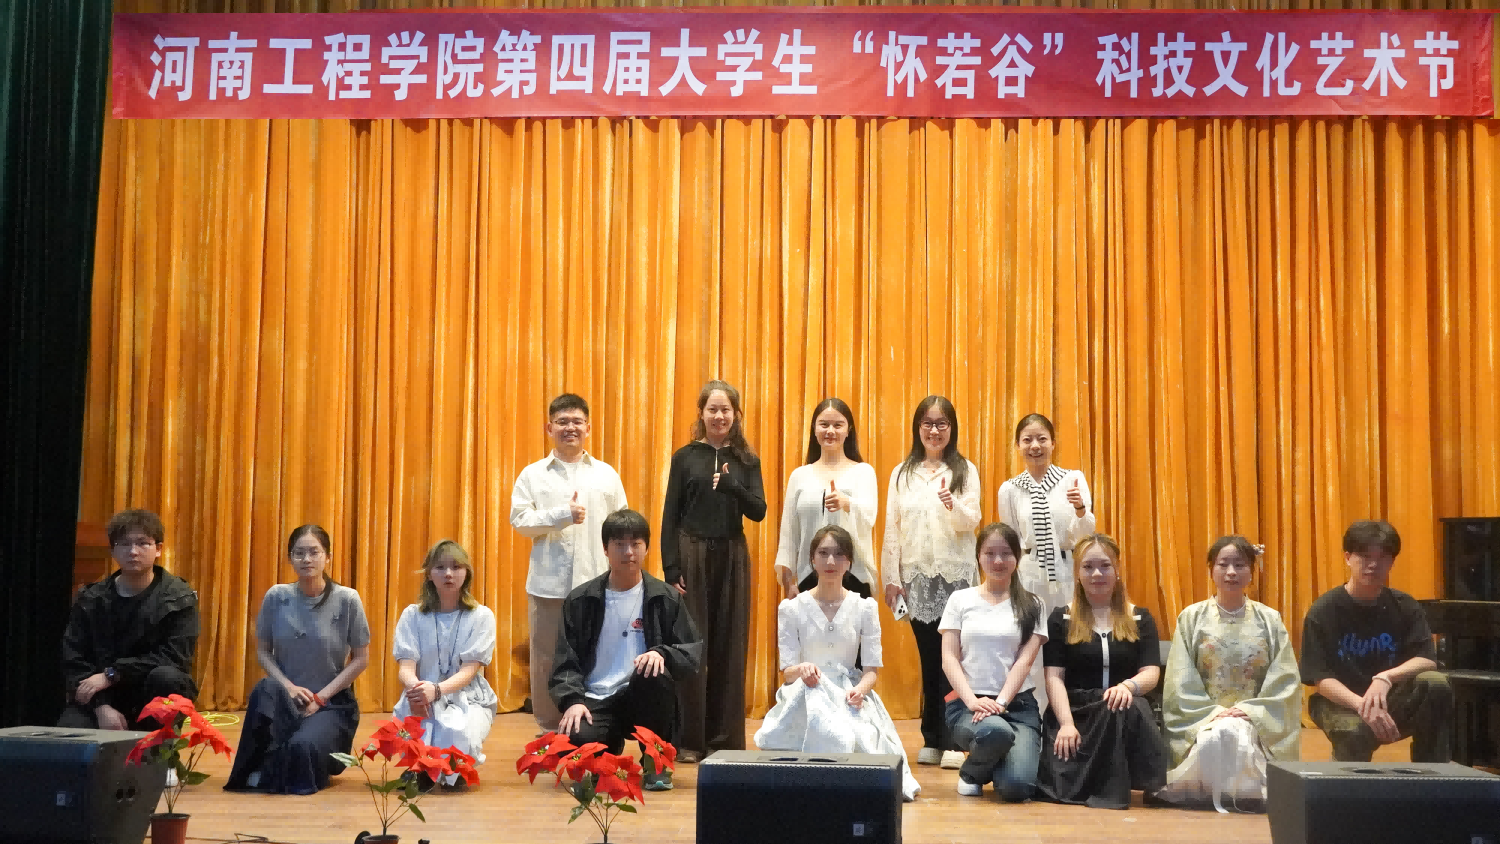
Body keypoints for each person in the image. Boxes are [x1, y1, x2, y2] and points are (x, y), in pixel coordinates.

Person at [755, 525, 921, 801]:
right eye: (823, 553)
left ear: (849, 562)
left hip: (849, 691)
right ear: (812, 559)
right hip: (806, 691)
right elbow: (787, 673)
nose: (831, 561)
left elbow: (871, 671)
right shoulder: (791, 609)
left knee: (860, 740)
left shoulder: (865, 607)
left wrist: (861, 691)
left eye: (839, 554)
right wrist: (803, 669)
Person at [551, 509, 702, 791]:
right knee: (575, 741)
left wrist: (662, 653)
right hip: (596, 698)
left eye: (635, 544)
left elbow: (690, 651)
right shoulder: (580, 600)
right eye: (619, 544)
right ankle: (607, 746)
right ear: (605, 549)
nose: (628, 552)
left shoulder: (666, 598)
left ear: (646, 548)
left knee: (654, 673)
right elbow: (565, 660)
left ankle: (655, 764)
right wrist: (573, 700)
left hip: (642, 697)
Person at [660, 379, 767, 761]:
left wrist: (734, 486)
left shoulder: (747, 460)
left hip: (732, 555)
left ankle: (725, 741)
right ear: (702, 414)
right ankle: (690, 740)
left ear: (736, 415)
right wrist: (671, 566)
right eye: (712, 409)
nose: (719, 416)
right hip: (691, 554)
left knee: (729, 647)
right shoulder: (685, 457)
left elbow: (758, 511)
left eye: (726, 410)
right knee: (692, 646)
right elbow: (670, 515)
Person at [511, 393, 628, 733]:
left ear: (588, 428)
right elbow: (520, 521)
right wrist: (562, 514)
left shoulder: (607, 475)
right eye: (562, 422)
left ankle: (592, 726)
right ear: (549, 428)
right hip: (549, 585)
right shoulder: (532, 475)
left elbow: (622, 524)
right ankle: (550, 730)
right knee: (546, 657)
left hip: (597, 583)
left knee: (596, 655)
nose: (570, 428)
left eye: (577, 421)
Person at [1157, 536, 1300, 812]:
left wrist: (1251, 711)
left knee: (1238, 734)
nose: (1231, 572)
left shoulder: (1270, 619)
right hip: (1204, 719)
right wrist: (1212, 714)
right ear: (1211, 569)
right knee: (1219, 733)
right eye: (1223, 564)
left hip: (1255, 718)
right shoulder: (1192, 618)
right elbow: (1180, 680)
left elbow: (1284, 679)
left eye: (1240, 565)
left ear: (1251, 571)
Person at [225, 525, 371, 794]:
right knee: (265, 688)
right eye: (299, 553)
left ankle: (273, 768)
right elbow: (263, 652)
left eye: (314, 552)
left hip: (331, 704)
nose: (306, 559)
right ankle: (258, 769)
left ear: (328, 557)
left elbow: (361, 659)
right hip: (285, 699)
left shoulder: (347, 599)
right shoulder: (277, 596)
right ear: (290, 558)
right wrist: (289, 687)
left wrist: (321, 698)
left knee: (302, 748)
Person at [879, 395, 980, 770]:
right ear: (917, 428)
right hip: (917, 579)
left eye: (941, 424)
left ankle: (956, 739)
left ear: (951, 428)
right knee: (929, 659)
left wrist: (952, 504)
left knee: (955, 660)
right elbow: (892, 528)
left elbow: (972, 521)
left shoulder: (964, 470)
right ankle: (932, 737)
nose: (934, 430)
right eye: (928, 423)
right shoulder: (902, 473)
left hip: (955, 579)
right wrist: (892, 577)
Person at [1300, 520, 1452, 763]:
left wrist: (1385, 678)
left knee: (1435, 684)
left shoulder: (1405, 605)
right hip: (1339, 701)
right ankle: (1346, 782)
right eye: (1364, 556)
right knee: (1355, 732)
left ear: (1392, 562)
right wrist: (1363, 706)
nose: (1373, 564)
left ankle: (1432, 774)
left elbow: (1426, 659)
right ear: (1348, 558)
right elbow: (1321, 680)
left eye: (1382, 557)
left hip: (1390, 698)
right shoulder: (1323, 611)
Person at [1036, 534, 1169, 809]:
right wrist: (1066, 724)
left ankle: (1148, 784)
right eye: (1088, 567)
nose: (1097, 574)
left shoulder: (1140, 618)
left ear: (1117, 569)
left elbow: (1151, 672)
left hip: (1122, 708)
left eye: (1105, 566)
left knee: (1126, 706)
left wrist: (1127, 687)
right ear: (1078, 573)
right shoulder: (1060, 618)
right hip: (1077, 713)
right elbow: (1053, 678)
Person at [60, 508, 199, 731]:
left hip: (151, 692)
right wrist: (101, 707)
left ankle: (158, 749)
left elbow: (174, 657)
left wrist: (114, 673)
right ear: (113, 551)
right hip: (103, 695)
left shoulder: (179, 597)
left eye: (143, 543)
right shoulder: (91, 599)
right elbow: (74, 658)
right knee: (69, 735)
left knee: (167, 677)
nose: (133, 551)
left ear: (158, 549)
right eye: (124, 544)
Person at [940, 522, 1048, 801]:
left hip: (1018, 706)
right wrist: (972, 702)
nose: (998, 561)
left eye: (1006, 553)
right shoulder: (960, 599)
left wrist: (1000, 703)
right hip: (968, 705)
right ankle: (972, 773)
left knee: (1017, 788)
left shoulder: (1033, 604)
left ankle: (995, 759)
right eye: (990, 553)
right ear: (979, 556)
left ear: (1017, 557)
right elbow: (949, 658)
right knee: (995, 732)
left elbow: (1024, 662)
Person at [391, 539, 498, 789]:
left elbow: (469, 671)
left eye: (456, 567)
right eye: (440, 567)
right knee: (417, 719)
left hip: (467, 696)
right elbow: (406, 667)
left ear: (466, 573)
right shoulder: (412, 615)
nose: (448, 574)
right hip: (422, 691)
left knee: (459, 729)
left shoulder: (481, 616)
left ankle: (454, 770)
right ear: (429, 573)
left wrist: (437, 691)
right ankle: (421, 768)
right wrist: (417, 690)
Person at [995, 413, 1095, 628]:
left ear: (1053, 443)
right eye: (1027, 440)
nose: (1035, 446)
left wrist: (1080, 508)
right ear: (1017, 445)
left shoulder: (1072, 479)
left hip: (1068, 569)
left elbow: (1086, 535)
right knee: (1032, 633)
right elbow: (1011, 540)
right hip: (1029, 572)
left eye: (1042, 439)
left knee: (1069, 631)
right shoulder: (1009, 490)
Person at [774, 398, 878, 599]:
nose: (830, 431)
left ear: (848, 430)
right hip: (809, 578)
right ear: (814, 429)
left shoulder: (863, 472)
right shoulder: (799, 476)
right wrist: (788, 581)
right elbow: (789, 533)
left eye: (838, 425)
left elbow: (869, 517)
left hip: (854, 577)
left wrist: (846, 503)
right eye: (824, 424)